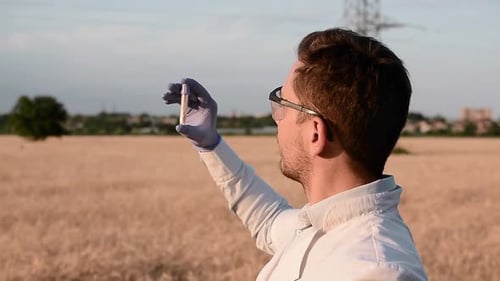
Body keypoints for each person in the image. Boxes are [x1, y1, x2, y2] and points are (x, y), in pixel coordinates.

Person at [163, 28, 428, 281]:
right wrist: (211, 145)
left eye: (283, 104)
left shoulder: (376, 272)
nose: (277, 119)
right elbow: (268, 219)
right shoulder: (321, 224)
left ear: (315, 133)